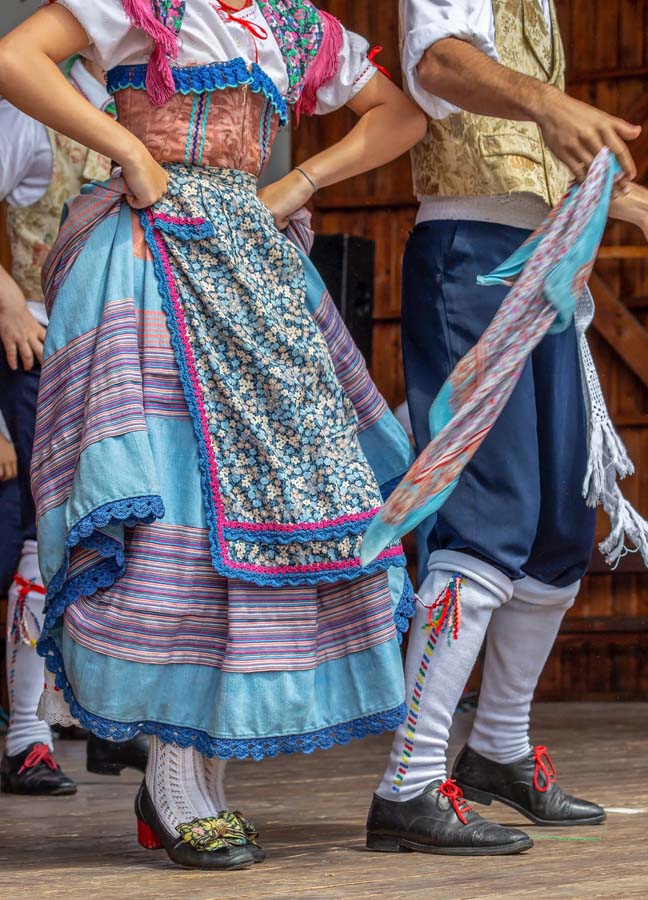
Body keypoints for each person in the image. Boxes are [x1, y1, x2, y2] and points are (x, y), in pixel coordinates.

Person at [0, 0, 425, 870]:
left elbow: (400, 111)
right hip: (151, 262)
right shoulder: (145, 5)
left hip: (255, 266)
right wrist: (126, 151)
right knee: (178, 521)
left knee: (268, 515)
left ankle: (198, 778)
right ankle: (174, 780)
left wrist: (300, 183)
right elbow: (15, 58)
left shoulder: (292, 23)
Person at [366, 0, 648, 856]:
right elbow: (437, 64)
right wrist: (548, 102)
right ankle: (409, 784)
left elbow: (536, 150)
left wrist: (619, 203)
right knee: (489, 518)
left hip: (548, 262)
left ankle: (497, 748)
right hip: (469, 257)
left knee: (560, 528)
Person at [0, 55, 149, 795]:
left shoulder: (155, 102)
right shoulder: (33, 101)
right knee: (42, 533)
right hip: (40, 338)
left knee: (133, 528)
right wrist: (0, 291)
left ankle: (110, 718)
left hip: (129, 347)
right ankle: (27, 728)